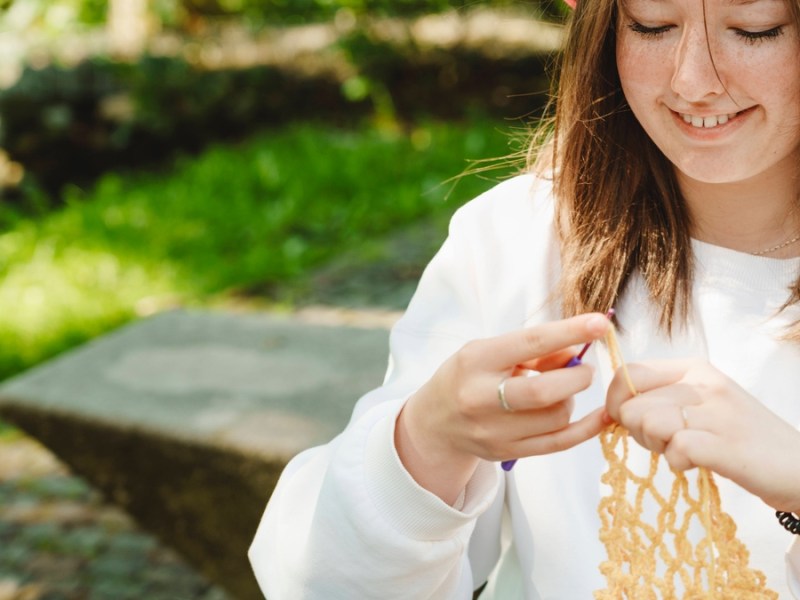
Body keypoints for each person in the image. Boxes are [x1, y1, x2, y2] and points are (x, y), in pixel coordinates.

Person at [248, 0, 800, 596]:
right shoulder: (516, 242)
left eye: (755, 29)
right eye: (652, 25)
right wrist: (427, 441)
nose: (692, 80)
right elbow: (321, 582)